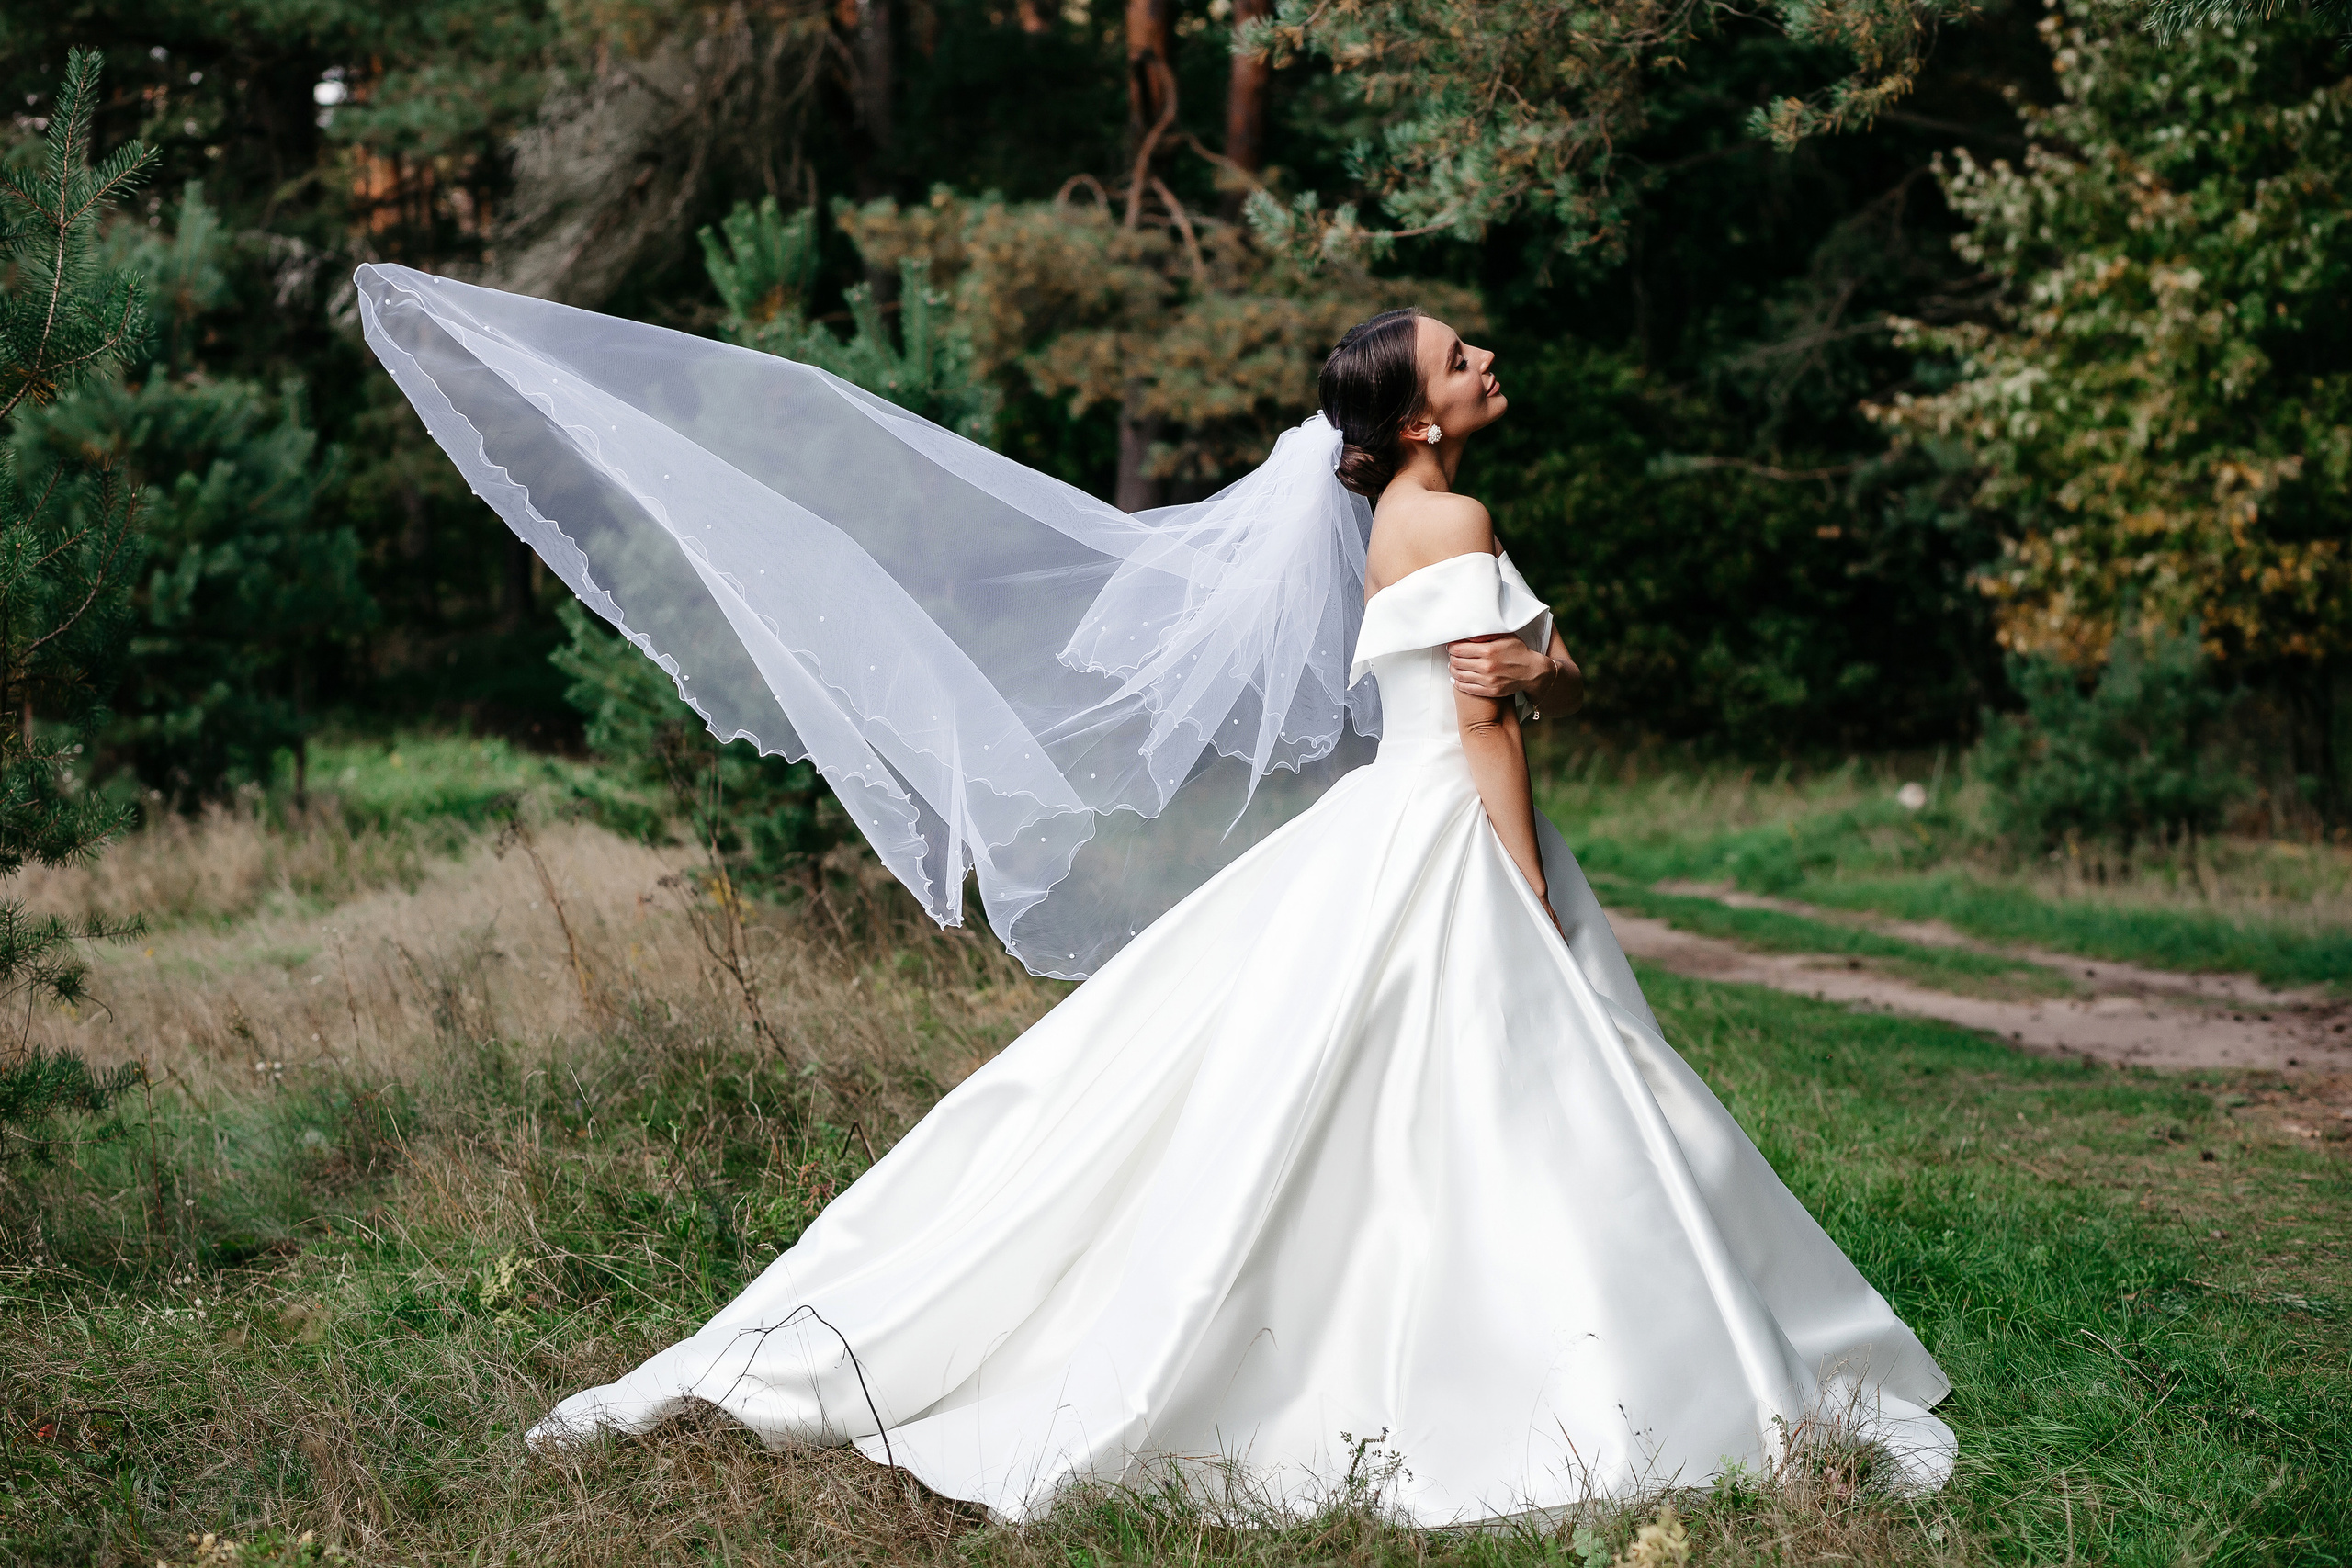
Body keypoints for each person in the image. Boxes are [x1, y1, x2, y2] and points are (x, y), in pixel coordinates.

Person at [354, 269, 1955, 1524]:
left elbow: (1499, 672)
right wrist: (1530, 897)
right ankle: (1583, 1381)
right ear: (1415, 420)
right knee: (1517, 1101)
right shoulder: (1451, 514)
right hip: (1448, 837)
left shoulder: (1401, 520)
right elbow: (1483, 728)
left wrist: (1543, 660)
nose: (1481, 366)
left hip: (1385, 825)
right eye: (1459, 359)